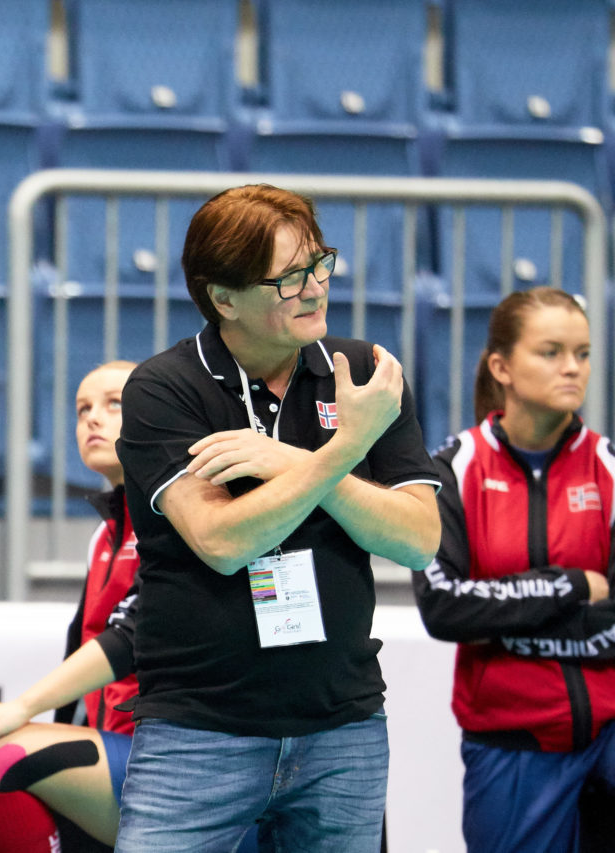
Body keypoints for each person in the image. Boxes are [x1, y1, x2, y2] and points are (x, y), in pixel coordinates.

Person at [113, 184, 442, 852]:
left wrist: (289, 461)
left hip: (342, 728)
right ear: (224, 298)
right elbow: (223, 540)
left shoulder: (363, 374)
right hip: (199, 731)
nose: (315, 288)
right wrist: (344, 450)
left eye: (320, 264)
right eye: (288, 277)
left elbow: (417, 538)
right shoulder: (165, 388)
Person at [411, 287, 615, 853]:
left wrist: (506, 620)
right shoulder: (452, 470)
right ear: (501, 367)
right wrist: (572, 585)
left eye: (582, 353)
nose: (573, 368)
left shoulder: (609, 468)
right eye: (551, 352)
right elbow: (445, 608)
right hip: (511, 744)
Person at [0, 361, 142, 852]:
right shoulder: (103, 537)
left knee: (3, 756)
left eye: (114, 404)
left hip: (177, 757)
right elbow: (82, 649)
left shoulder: (181, 520)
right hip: (115, 745)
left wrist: (22, 710)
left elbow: (130, 641)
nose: (92, 419)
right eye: (82, 409)